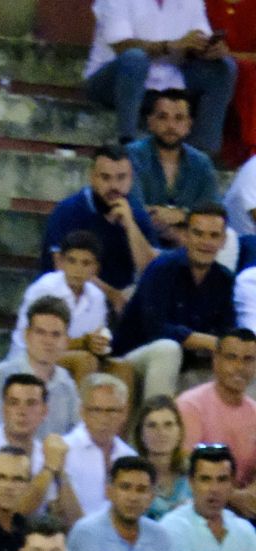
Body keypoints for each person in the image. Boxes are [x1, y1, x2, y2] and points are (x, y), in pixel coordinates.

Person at [111, 202, 234, 399]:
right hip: (133, 359)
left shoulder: (224, 279)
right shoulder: (162, 269)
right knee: (168, 349)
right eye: (198, 233)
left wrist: (225, 346)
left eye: (214, 235)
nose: (205, 242)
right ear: (185, 235)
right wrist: (210, 341)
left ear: (223, 240)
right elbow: (157, 330)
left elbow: (227, 333)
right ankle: (155, 424)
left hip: (188, 363)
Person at [84, 0, 235, 158]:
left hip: (168, 82)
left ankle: (201, 155)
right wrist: (169, 46)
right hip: (114, 83)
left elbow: (200, 37)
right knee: (134, 59)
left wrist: (210, 49)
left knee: (224, 67)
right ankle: (128, 146)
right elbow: (122, 46)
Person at [39, 146, 157, 315]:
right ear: (92, 177)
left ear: (131, 179)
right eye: (105, 178)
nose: (114, 186)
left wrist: (130, 226)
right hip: (67, 299)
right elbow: (64, 268)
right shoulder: (68, 211)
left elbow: (151, 270)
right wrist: (112, 295)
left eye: (121, 178)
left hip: (121, 303)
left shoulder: (137, 213)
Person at [0, 371, 80, 519]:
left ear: (44, 411)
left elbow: (72, 522)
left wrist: (61, 472)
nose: (22, 412)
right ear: (4, 409)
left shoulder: (46, 452)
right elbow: (7, 516)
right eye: (14, 403)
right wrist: (49, 469)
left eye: (31, 403)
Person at [11, 230, 112, 383]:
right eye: (72, 261)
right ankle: (80, 407)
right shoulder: (44, 288)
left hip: (80, 357)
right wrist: (84, 342)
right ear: (60, 262)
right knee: (84, 360)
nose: (78, 269)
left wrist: (100, 345)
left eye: (86, 263)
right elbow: (31, 341)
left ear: (96, 268)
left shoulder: (97, 297)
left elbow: (98, 338)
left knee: (121, 367)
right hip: (30, 357)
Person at [126, 87, 220, 245]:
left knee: (228, 237)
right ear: (150, 122)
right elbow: (136, 210)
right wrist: (175, 227)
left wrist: (183, 215)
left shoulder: (202, 163)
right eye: (163, 117)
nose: (171, 125)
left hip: (189, 244)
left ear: (189, 125)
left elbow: (215, 213)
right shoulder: (132, 155)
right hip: (141, 241)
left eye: (179, 118)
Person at [160, 442, 256, 551]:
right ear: (191, 482)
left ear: (232, 483)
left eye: (222, 479)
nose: (214, 489)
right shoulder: (172, 527)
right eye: (205, 479)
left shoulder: (245, 530)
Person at [175, 328, 256, 505]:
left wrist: (250, 495)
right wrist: (234, 498)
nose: (239, 367)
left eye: (248, 359)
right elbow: (187, 470)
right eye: (231, 357)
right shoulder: (190, 405)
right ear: (216, 360)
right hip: (197, 506)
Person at [0, 297, 81, 437]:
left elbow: (74, 436)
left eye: (56, 335)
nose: (48, 341)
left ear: (66, 341)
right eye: (40, 332)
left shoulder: (68, 386)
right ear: (26, 335)